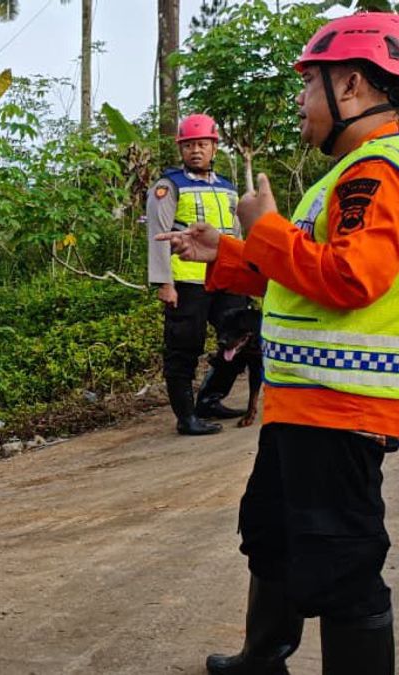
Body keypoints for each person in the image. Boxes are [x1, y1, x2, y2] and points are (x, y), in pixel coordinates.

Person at [158, 13, 399, 673]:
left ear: (350, 84)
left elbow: (350, 278)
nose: (300, 101)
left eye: (308, 84)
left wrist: (264, 227)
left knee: (344, 565)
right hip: (305, 406)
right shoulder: (350, 172)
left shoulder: (378, 172)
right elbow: (300, 276)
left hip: (341, 409)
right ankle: (263, 654)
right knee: (272, 531)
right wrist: (228, 252)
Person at [146, 113, 250, 436]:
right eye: (189, 145)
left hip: (226, 277)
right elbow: (157, 233)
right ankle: (186, 416)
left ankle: (210, 398)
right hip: (187, 280)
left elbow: (235, 233)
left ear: (214, 147)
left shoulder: (227, 188)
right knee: (183, 349)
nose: (195, 151)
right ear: (181, 149)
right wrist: (165, 283)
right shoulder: (169, 185)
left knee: (243, 340)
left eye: (202, 144)